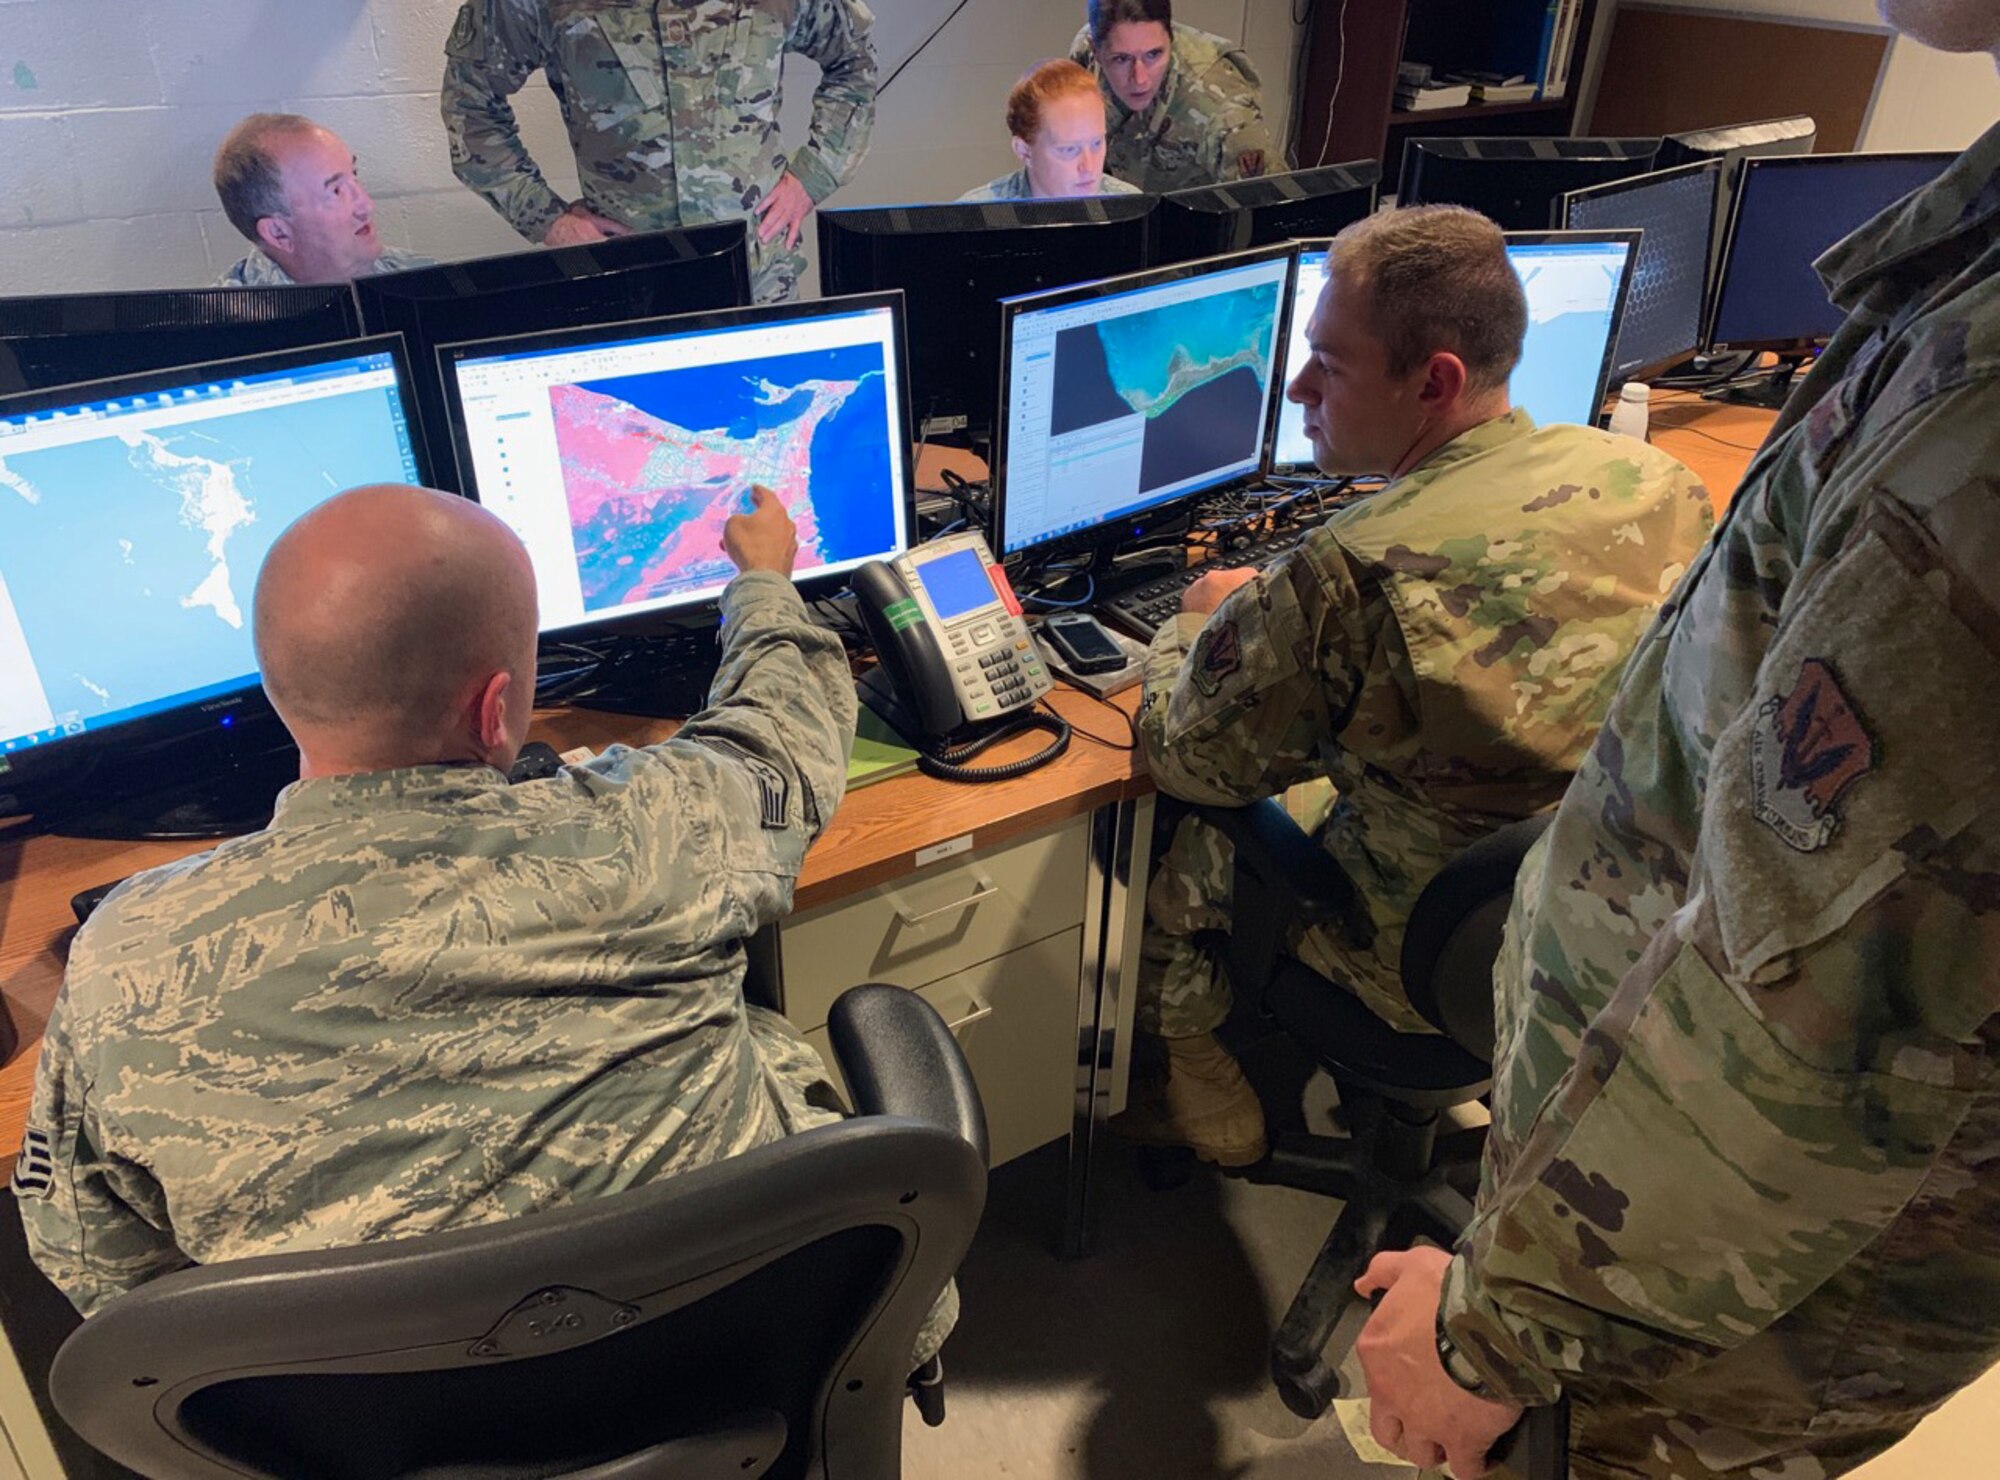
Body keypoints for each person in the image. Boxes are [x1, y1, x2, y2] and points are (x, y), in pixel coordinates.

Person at [1352, 6, 2000, 1477]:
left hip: (1710, 1296)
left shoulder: (1984, 423)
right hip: (1692, 1222)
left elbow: (1810, 1023)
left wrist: (1491, 1333)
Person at [12, 483, 953, 1365]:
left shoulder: (126, 955)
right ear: (498, 707)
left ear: (276, 688)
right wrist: (760, 583)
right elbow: (781, 735)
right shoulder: (661, 830)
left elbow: (104, 1273)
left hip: (379, 1439)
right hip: (752, 1364)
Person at [1120, 206, 1716, 1169]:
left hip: (1413, 964)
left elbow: (1187, 758)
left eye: (1332, 364)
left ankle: (1188, 1043)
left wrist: (1196, 619)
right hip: (1596, 922)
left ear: (1434, 381)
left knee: (1177, 830)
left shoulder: (1348, 571)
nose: (1300, 387)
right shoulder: (1656, 480)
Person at [440, 0, 878, 304]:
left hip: (757, 277)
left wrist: (813, 176)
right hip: (625, 280)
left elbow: (853, 61)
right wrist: (547, 220)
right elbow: (471, 101)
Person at [1067, 0, 1278, 194]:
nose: (1140, 79)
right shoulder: (1086, 55)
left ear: (1171, 38)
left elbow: (1267, 206)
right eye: (1121, 59)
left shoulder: (1220, 105)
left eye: (1154, 54)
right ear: (1096, 50)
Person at [212, 114, 433, 287]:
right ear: (278, 233)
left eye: (354, 174)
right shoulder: (223, 334)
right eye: (336, 191)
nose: (366, 205)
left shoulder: (423, 281)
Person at [960, 59, 1142, 202]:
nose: (1089, 167)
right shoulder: (975, 221)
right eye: (1069, 149)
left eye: (1096, 144)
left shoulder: (1132, 210)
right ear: (1024, 151)